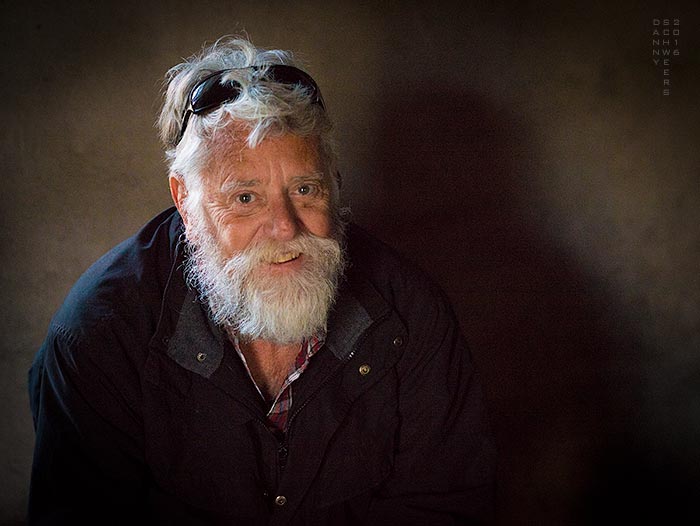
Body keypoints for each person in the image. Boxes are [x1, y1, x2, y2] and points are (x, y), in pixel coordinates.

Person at [28, 36, 495, 525]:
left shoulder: (410, 312)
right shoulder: (100, 332)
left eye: (305, 189)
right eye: (246, 198)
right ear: (185, 199)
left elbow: (446, 504)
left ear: (334, 184)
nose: (286, 227)